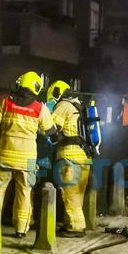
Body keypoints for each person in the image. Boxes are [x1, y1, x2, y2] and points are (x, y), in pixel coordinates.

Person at [0, 71, 56, 239]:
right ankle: (21, 229)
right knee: (25, 193)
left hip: (4, 155)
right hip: (27, 160)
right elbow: (52, 132)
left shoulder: (4, 101)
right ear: (36, 88)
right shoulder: (40, 109)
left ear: (19, 84)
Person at [48, 80, 92, 238]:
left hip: (70, 158)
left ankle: (76, 228)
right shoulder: (80, 106)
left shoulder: (63, 106)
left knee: (70, 194)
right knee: (78, 194)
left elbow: (51, 129)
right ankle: (70, 224)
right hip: (85, 157)